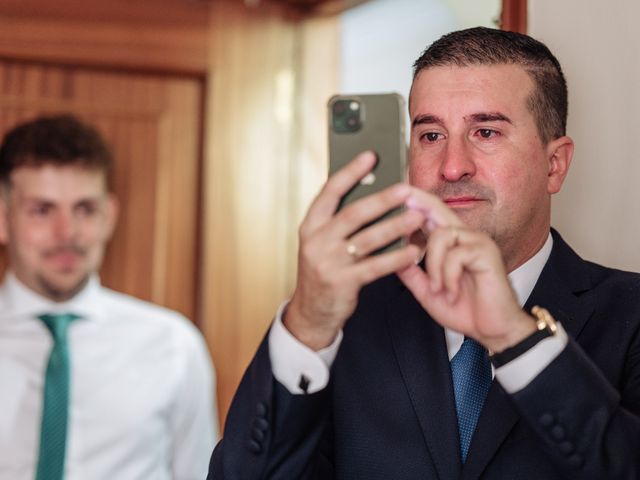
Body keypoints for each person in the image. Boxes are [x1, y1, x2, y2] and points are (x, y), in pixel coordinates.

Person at [209, 27, 640, 479]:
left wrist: (517, 338)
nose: (453, 167)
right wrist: (306, 325)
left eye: (486, 131)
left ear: (555, 165)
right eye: (431, 135)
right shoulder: (345, 322)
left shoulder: (629, 315)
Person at [0, 114, 218, 480]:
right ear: (3, 218)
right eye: (42, 210)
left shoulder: (174, 346)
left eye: (85, 209)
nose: (67, 233)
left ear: (109, 216)